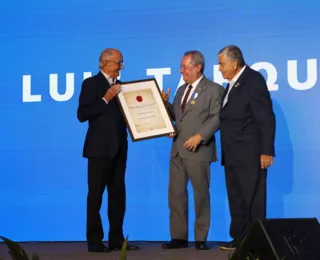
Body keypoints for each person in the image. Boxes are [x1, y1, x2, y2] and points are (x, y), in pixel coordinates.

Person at [161, 50, 224, 250]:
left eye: (185, 66)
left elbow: (218, 117)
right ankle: (178, 237)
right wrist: (164, 105)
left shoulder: (214, 89)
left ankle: (200, 237)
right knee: (176, 195)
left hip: (199, 150)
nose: (181, 70)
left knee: (200, 195)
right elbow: (178, 117)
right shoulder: (181, 90)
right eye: (181, 66)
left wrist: (200, 136)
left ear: (198, 67)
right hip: (177, 150)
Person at [77, 48, 138, 253]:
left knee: (118, 196)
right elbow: (82, 114)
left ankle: (117, 240)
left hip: (120, 148)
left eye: (121, 63)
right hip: (98, 149)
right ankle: (94, 241)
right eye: (118, 63)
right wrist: (105, 99)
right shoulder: (91, 84)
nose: (121, 67)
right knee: (95, 196)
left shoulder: (123, 87)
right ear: (105, 63)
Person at [217, 45, 276, 251]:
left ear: (234, 63)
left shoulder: (253, 80)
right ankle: (240, 238)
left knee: (253, 200)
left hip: (250, 154)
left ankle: (256, 243)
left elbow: (266, 118)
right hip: (232, 154)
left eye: (222, 64)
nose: (219, 68)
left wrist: (266, 150)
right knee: (237, 199)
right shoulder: (231, 84)